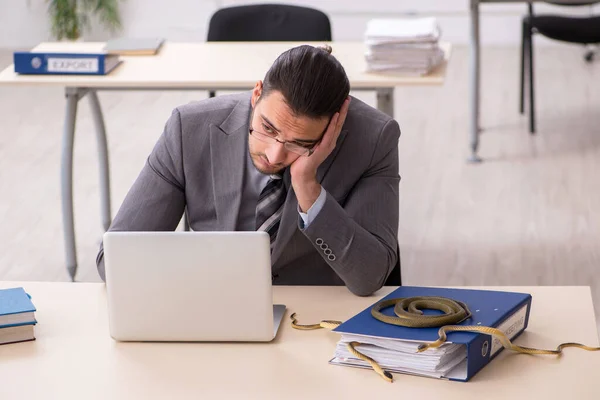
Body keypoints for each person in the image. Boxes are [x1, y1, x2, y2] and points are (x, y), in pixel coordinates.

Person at [96, 44, 401, 296]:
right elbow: (113, 261)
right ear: (257, 93)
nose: (274, 153)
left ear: (335, 125)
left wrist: (308, 187)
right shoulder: (189, 130)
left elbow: (369, 278)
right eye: (268, 128)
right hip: (210, 308)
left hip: (315, 323)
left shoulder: (374, 140)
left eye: (300, 143)